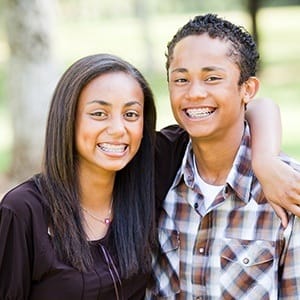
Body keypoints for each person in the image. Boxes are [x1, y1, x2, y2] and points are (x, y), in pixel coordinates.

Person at [147, 14, 300, 299]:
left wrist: (265, 160)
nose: (194, 93)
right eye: (181, 79)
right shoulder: (158, 173)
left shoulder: (287, 188)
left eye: (212, 78)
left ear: (247, 89)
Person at [0, 53, 157, 299]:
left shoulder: (147, 188)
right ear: (67, 119)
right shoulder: (23, 211)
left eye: (130, 115)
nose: (118, 129)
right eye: (99, 114)